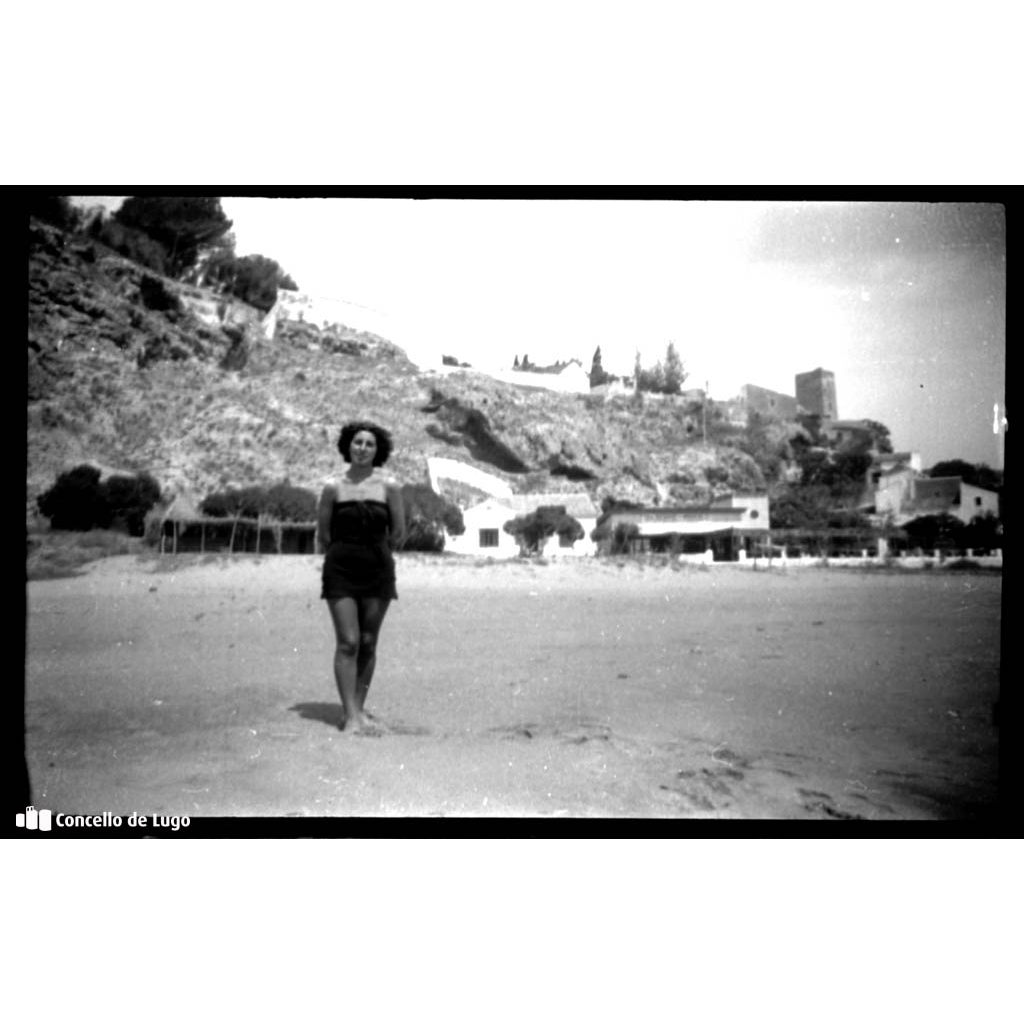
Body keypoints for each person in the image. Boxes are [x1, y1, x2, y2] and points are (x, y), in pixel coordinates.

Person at [318, 421, 405, 735]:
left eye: (370, 444)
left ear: (377, 450)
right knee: (348, 642)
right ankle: (351, 717)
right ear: (347, 446)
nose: (363, 448)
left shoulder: (390, 488)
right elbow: (324, 534)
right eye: (358, 442)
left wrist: (376, 552)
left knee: (368, 642)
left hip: (378, 570)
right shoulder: (332, 488)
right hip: (341, 570)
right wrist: (348, 551)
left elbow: (398, 532)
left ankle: (357, 709)